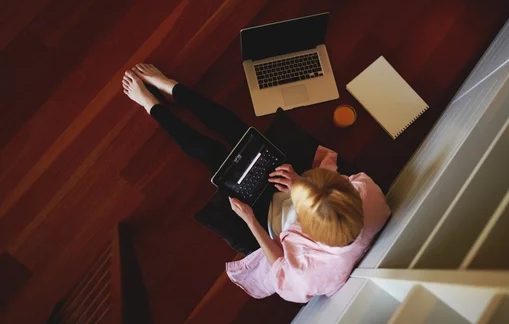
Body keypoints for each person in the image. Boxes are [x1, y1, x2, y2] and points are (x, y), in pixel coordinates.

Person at [122, 64, 391, 303]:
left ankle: (152, 107)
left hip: (267, 216)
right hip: (296, 186)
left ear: (306, 227)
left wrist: (251, 221)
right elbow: (335, 183)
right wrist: (299, 180)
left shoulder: (309, 277)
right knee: (238, 130)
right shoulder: (370, 194)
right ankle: (172, 88)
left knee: (212, 155)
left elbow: (278, 266)